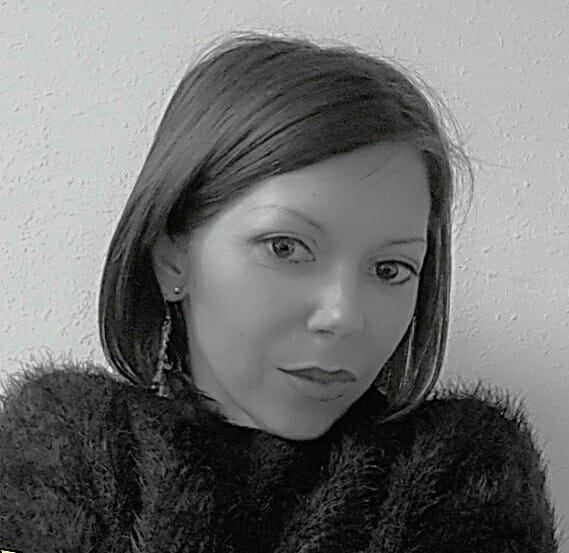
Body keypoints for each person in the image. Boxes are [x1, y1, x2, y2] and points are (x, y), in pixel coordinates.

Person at [0, 30, 562, 552]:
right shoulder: (63, 453)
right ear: (172, 254)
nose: (343, 316)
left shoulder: (463, 475)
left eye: (390, 269)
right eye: (286, 247)